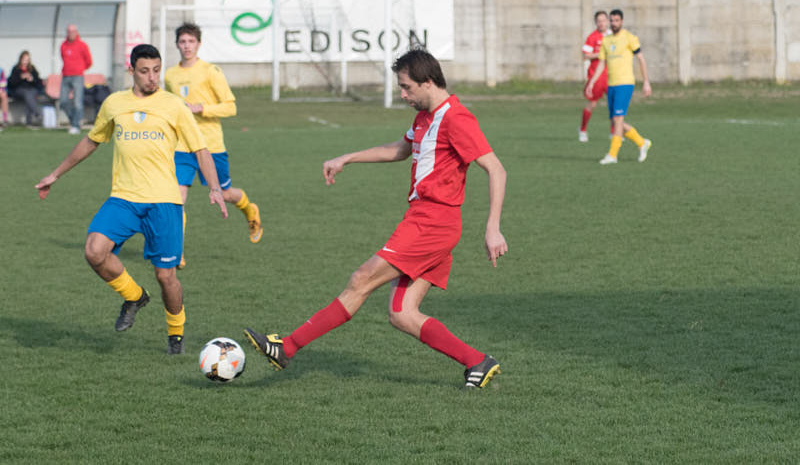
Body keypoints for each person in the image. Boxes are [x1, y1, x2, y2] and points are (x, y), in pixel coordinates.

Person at [244, 49, 508, 389]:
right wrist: (348, 158)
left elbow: (496, 169)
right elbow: (400, 150)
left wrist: (492, 227)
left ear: (428, 82)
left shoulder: (456, 118)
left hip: (432, 223)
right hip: (426, 221)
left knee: (361, 279)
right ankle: (478, 362)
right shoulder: (424, 116)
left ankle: (287, 347)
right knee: (402, 314)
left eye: (406, 87)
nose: (402, 95)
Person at [35, 44, 228, 355]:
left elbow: (200, 149)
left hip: (164, 201)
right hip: (124, 198)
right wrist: (55, 174)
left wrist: (215, 188)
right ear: (132, 71)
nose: (152, 77)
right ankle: (134, 296)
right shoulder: (115, 103)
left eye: (156, 70)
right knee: (94, 251)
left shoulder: (174, 105)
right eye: (145, 71)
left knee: (166, 277)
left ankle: (176, 335)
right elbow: (92, 141)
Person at [164, 22, 262, 270]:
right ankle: (176, 251)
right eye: (182, 42)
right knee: (177, 197)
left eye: (191, 41)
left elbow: (231, 106)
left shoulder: (211, 72)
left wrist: (202, 108)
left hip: (210, 145)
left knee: (225, 194)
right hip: (182, 145)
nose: (187, 46)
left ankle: (249, 209)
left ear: (199, 44)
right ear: (177, 44)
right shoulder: (170, 75)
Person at [585, 9, 652, 164]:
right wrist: (592, 82)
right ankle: (642, 142)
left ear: (621, 21)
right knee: (615, 122)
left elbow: (641, 59)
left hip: (625, 83)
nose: (614, 23)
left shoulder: (629, 37)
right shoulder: (606, 41)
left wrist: (646, 82)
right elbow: (601, 63)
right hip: (612, 85)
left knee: (618, 119)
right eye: (612, 21)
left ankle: (612, 155)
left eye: (617, 21)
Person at [578, 11, 610, 143]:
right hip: (595, 75)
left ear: (607, 21)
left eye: (604, 20)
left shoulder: (613, 36)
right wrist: (601, 54)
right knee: (592, 103)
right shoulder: (592, 37)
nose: (602, 23)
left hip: (611, 75)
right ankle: (583, 130)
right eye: (599, 21)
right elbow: (585, 55)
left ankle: (614, 132)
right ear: (596, 22)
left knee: (614, 104)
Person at [60, 23, 93, 135]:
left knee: (77, 102)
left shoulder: (82, 45)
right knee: (63, 101)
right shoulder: (63, 45)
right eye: (69, 31)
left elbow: (89, 61)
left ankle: (75, 126)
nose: (71, 34)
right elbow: (63, 57)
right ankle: (75, 120)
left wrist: (79, 69)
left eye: (73, 31)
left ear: (77, 32)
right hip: (65, 76)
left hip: (78, 76)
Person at [8, 51, 44, 127]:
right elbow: (11, 82)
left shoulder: (32, 69)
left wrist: (32, 79)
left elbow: (38, 81)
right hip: (19, 90)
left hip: (31, 89)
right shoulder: (16, 69)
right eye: (24, 59)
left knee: (29, 95)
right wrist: (21, 77)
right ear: (20, 59)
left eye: (27, 60)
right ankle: (37, 113)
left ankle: (29, 122)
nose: (25, 62)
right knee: (28, 94)